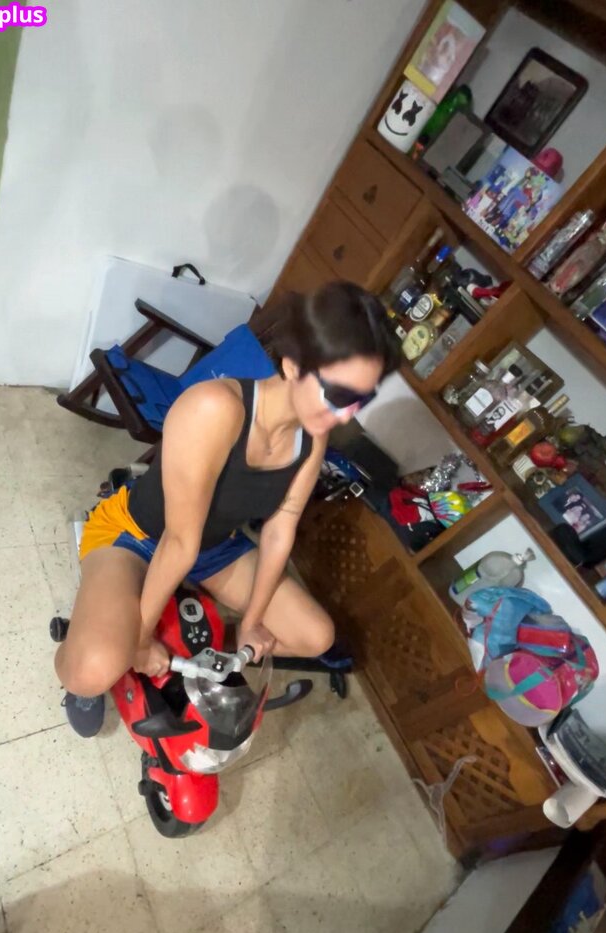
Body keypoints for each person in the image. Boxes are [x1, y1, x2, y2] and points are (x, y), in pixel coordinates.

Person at [55, 282, 400, 736]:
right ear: (294, 365)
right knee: (93, 670)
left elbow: (279, 532)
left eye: (361, 400)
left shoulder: (312, 440)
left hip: (213, 549)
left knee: (315, 636)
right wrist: (139, 640)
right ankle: (100, 639)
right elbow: (179, 540)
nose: (346, 415)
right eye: (338, 395)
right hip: (137, 535)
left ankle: (174, 639)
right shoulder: (215, 408)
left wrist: (253, 623)